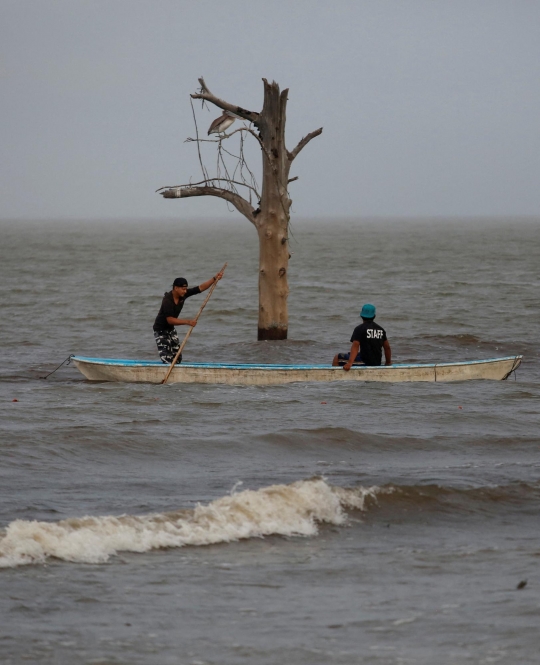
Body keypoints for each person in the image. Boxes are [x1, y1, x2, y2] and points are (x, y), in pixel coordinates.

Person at [153, 270, 224, 364]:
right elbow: (170, 320)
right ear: (176, 288)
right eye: (183, 289)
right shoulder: (167, 300)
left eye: (186, 289)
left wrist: (214, 279)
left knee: (177, 358)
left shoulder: (183, 295)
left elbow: (200, 288)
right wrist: (188, 322)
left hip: (170, 329)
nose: (185, 291)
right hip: (160, 329)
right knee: (167, 359)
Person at [332, 303, 392, 371]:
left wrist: (350, 363)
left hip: (365, 362)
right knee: (352, 354)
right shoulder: (381, 329)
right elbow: (387, 348)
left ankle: (336, 378)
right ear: (374, 316)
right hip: (377, 362)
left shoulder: (359, 328)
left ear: (361, 315)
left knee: (337, 357)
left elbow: (355, 346)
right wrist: (388, 362)